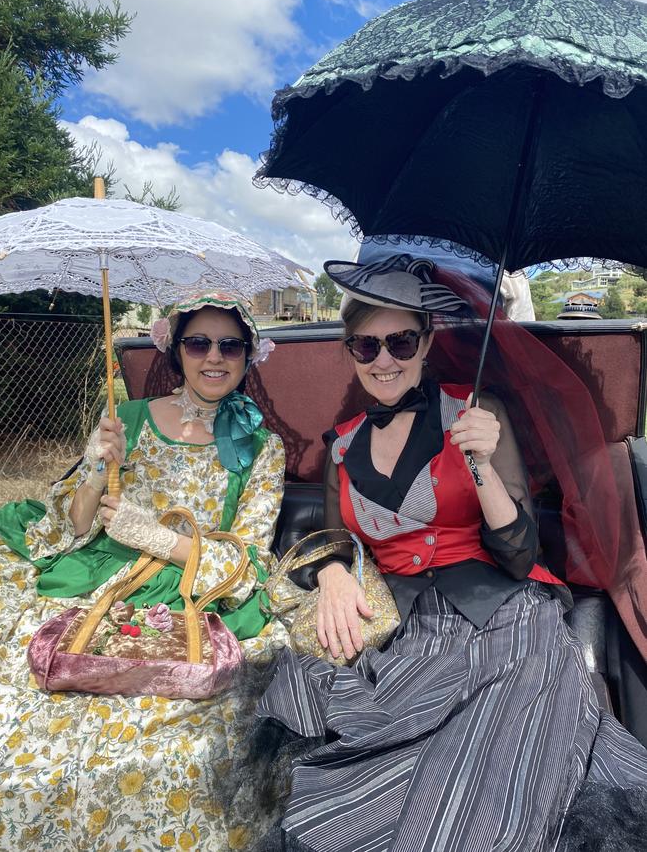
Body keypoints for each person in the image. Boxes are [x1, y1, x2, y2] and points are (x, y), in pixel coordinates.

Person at [256, 255, 647, 852]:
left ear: (427, 341)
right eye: (366, 347)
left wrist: (483, 466)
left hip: (508, 612)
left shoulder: (477, 411)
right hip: (415, 635)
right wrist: (333, 572)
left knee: (490, 782)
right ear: (351, 351)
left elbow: (520, 556)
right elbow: (338, 539)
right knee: (359, 795)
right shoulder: (342, 444)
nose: (384, 360)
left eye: (400, 341)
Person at [0, 292, 287, 850]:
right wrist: (95, 468)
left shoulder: (261, 447)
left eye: (230, 344)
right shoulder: (125, 418)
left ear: (250, 354)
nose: (213, 357)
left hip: (188, 595)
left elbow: (248, 559)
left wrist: (158, 538)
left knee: (170, 748)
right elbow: (72, 527)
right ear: (176, 350)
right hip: (100, 579)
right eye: (198, 342)